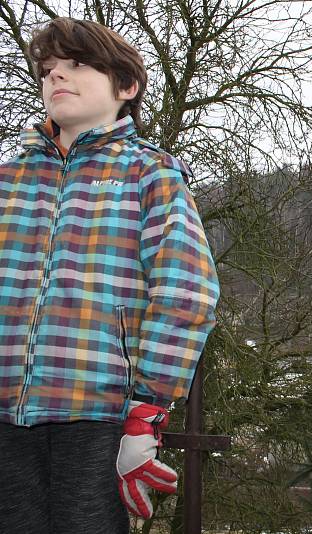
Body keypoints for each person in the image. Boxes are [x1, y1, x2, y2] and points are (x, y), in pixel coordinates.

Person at [0, 18, 220, 533]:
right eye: (48, 69)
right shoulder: (8, 180)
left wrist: (148, 411)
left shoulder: (150, 173)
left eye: (76, 65)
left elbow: (187, 291)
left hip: (96, 416)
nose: (57, 77)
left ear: (126, 87)